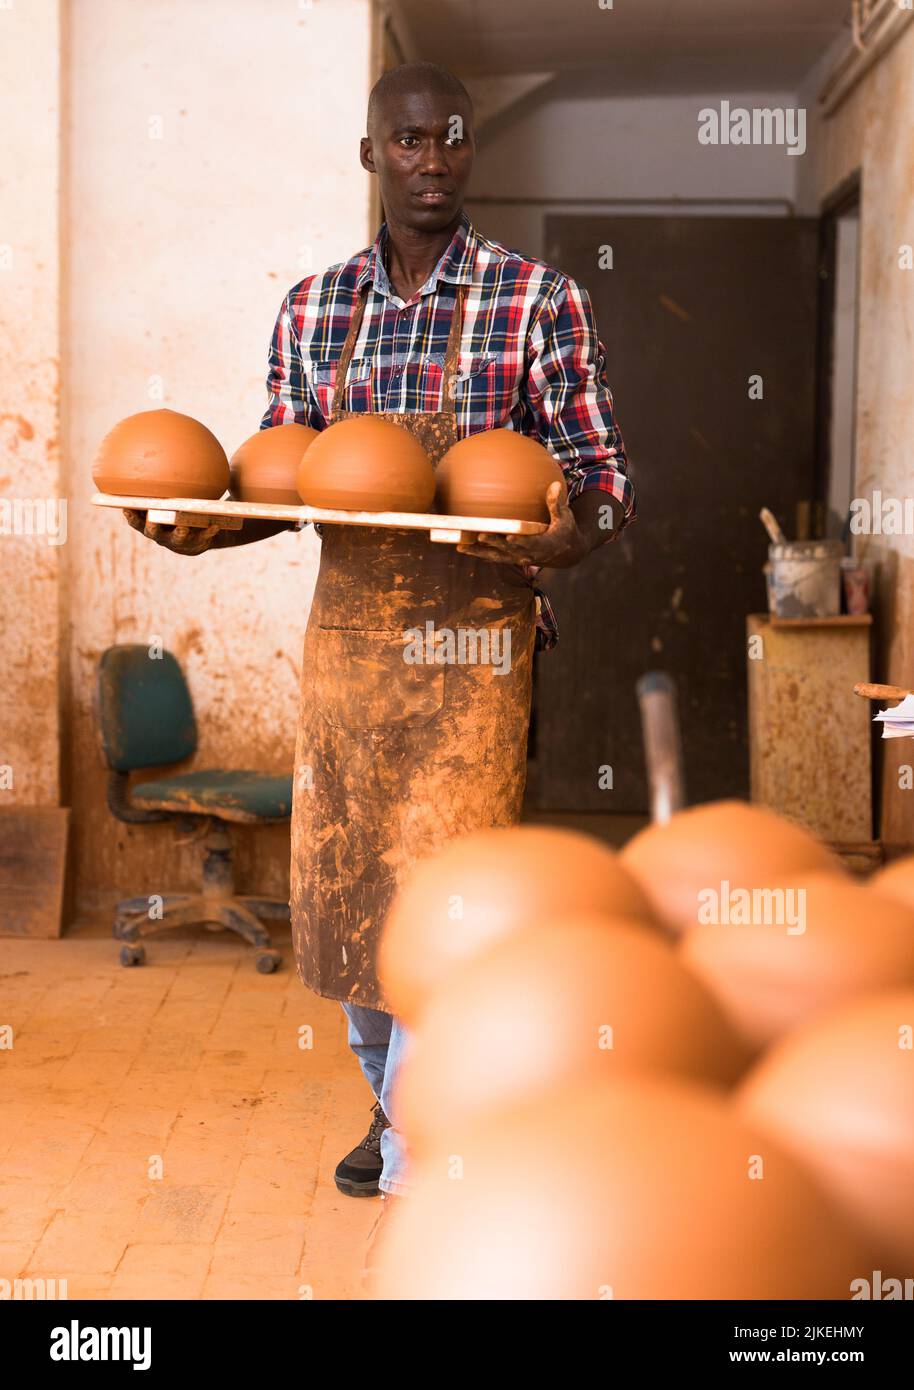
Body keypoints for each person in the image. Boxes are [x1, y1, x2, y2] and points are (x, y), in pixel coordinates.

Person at [125, 61, 636, 1228]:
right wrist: (197, 533)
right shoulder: (312, 311)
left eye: (451, 138)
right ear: (372, 155)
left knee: (451, 903)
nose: (433, 157)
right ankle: (394, 1097)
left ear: (469, 152)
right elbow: (272, 480)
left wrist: (574, 541)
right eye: (408, 139)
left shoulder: (537, 301)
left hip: (479, 652)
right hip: (352, 648)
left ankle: (422, 1133)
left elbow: (605, 485)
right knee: (351, 907)